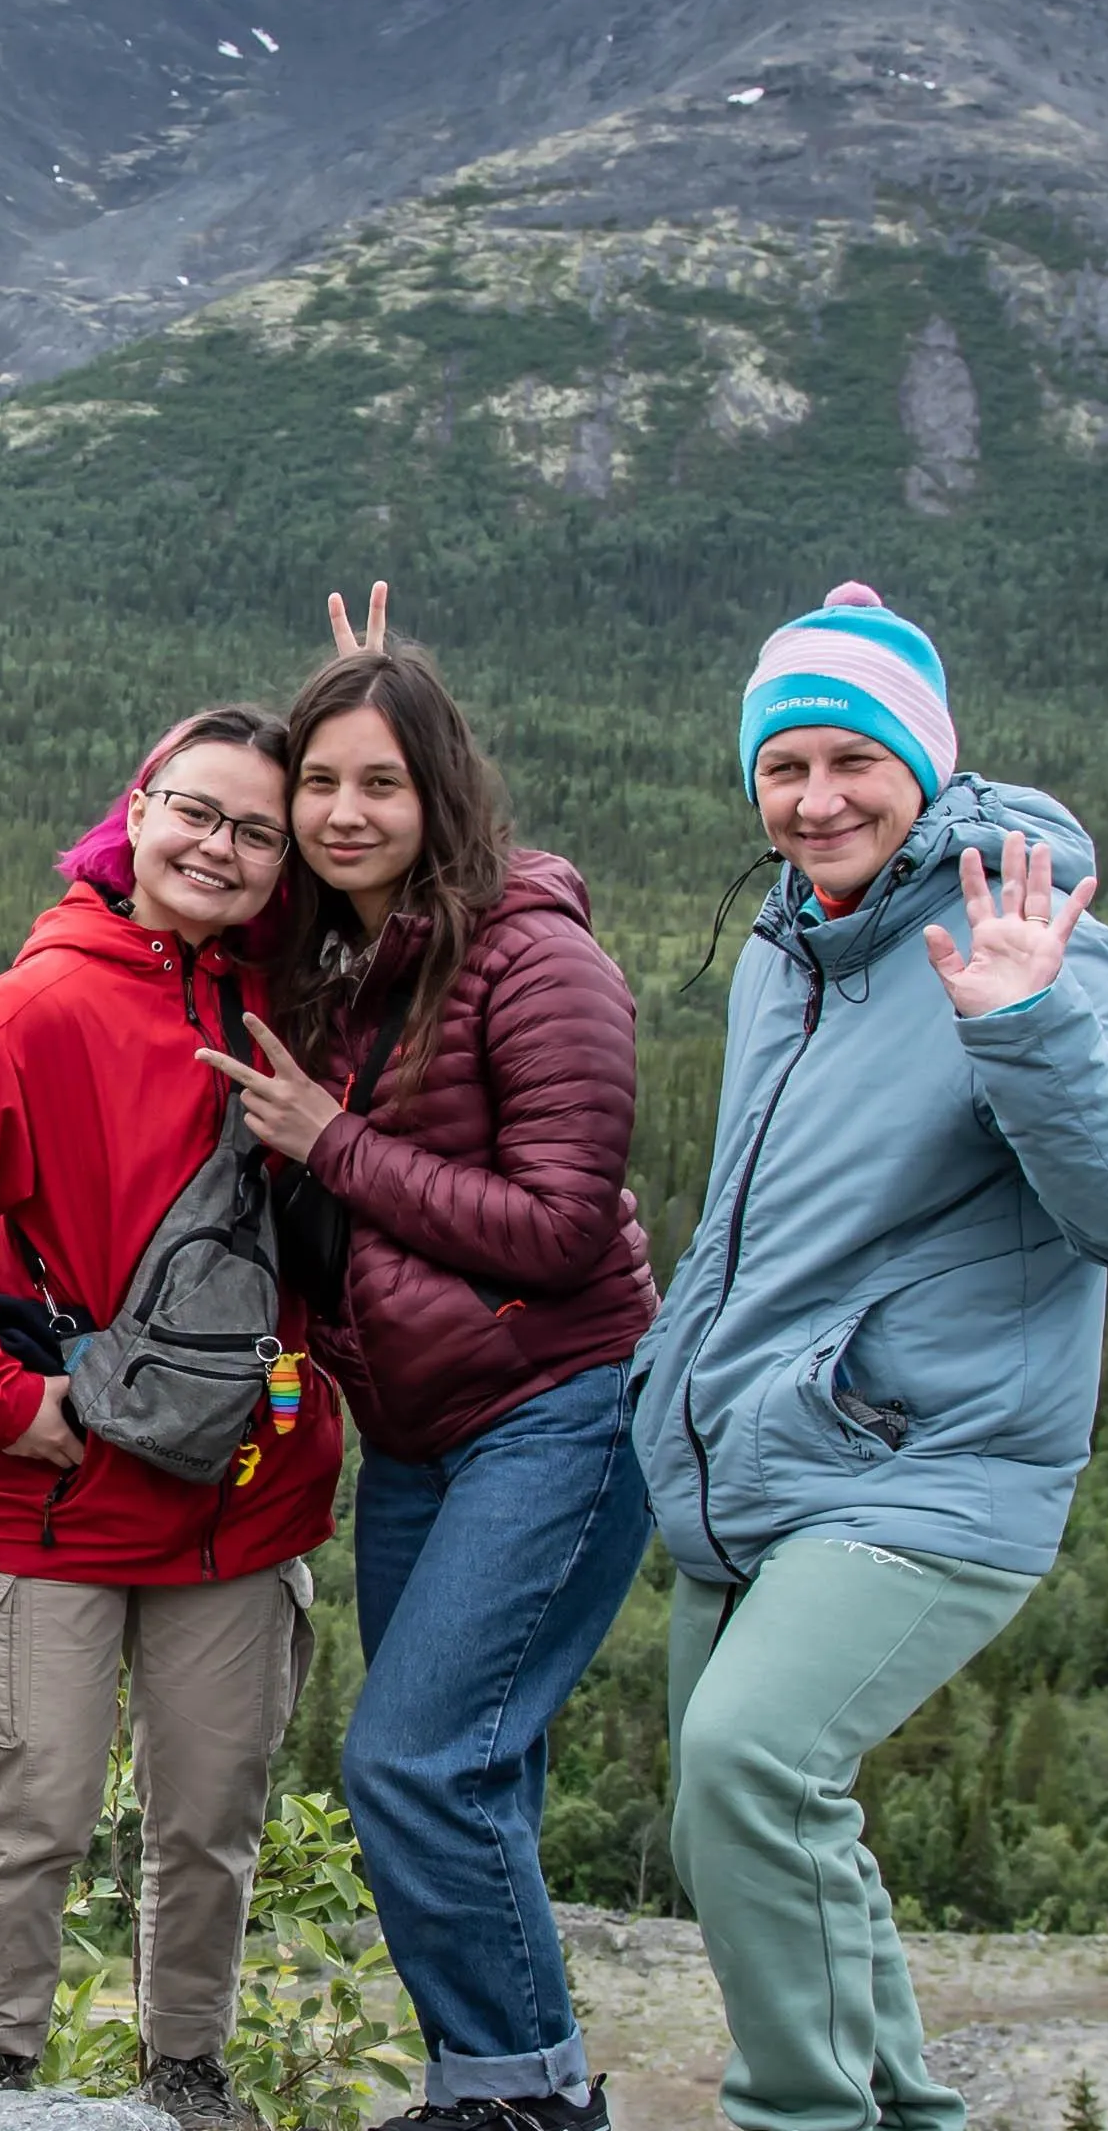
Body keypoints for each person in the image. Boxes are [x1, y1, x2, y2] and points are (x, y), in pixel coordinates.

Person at [630, 584, 1108, 2131]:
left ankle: (805, 2123)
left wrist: (1029, 1024)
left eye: (853, 761)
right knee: (735, 1823)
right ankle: (904, 2113)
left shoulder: (1028, 933)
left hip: (932, 1464)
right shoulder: (789, 950)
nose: (816, 799)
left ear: (926, 766)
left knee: (753, 1765)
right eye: (784, 766)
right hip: (764, 1446)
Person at [0, 706, 343, 2131]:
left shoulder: (298, 1004)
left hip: (242, 1508)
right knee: (35, 1818)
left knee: (210, 1824)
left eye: (257, 830)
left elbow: (444, 905)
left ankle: (188, 2076)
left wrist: (387, 721)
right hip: (50, 1504)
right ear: (137, 810)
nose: (220, 849)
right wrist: (4, 1406)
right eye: (197, 812)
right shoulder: (27, 1014)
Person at [214, 620, 653, 2131]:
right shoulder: (339, 955)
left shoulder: (541, 961)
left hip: (559, 1408)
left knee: (411, 1761)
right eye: (318, 784)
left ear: (444, 793)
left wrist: (329, 1144)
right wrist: (350, 685)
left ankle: (525, 2098)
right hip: (418, 1433)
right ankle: (496, 2086)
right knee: (481, 1776)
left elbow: (557, 1225)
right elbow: (127, 858)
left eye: (381, 783)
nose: (343, 814)